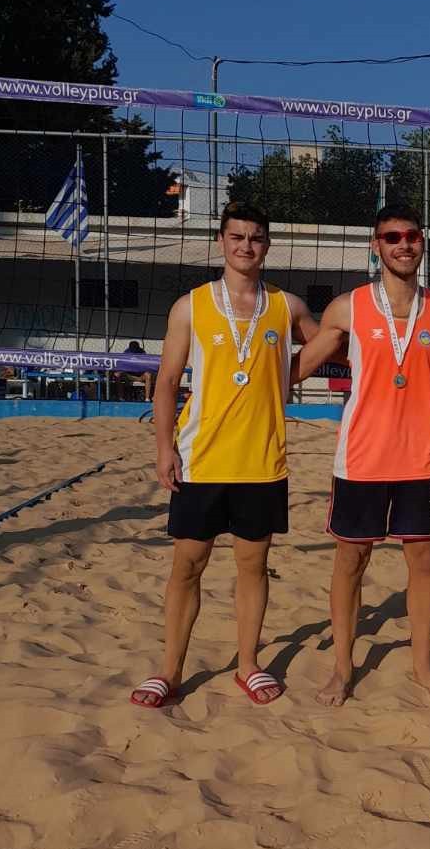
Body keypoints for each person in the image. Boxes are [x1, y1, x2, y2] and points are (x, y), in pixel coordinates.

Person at [130, 201, 317, 709]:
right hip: (202, 459)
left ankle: (248, 665)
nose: (246, 246)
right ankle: (169, 671)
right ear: (221, 241)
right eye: (237, 237)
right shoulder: (190, 305)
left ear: (268, 245)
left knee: (252, 567)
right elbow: (166, 383)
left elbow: (330, 348)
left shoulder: (288, 306)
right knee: (188, 566)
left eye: (256, 237)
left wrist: (292, 372)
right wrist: (164, 448)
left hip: (261, 460)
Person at [290, 202, 430, 706]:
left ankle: (424, 668)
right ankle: (342, 669)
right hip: (362, 459)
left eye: (411, 236)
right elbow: (299, 369)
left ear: (421, 243)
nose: (403, 244)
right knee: (351, 562)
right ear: (376, 244)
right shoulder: (349, 307)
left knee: (424, 565)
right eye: (392, 237)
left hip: (420, 459)